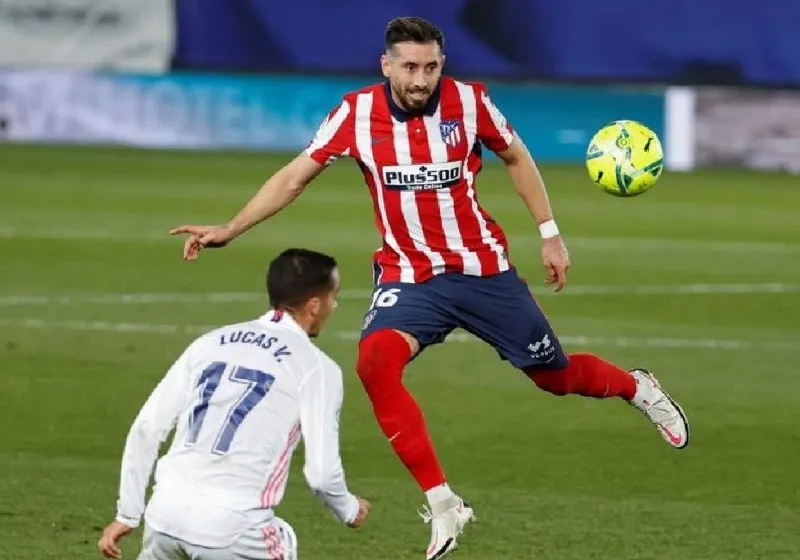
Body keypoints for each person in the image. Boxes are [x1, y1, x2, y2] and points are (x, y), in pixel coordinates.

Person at [168, 16, 690, 560]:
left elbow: (516, 155)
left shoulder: (470, 103)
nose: (421, 80)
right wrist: (230, 227)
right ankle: (444, 504)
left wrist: (549, 233)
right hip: (409, 276)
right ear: (386, 65)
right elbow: (294, 176)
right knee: (374, 363)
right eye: (411, 67)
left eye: (432, 67)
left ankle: (637, 388)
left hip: (482, 270)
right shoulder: (355, 113)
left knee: (555, 378)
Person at [97, 248, 369, 560]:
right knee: (282, 539)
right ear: (314, 304)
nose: (334, 305)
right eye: (333, 296)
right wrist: (348, 509)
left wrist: (128, 513)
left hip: (164, 519)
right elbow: (321, 474)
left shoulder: (209, 342)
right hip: (233, 528)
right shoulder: (317, 368)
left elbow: (147, 428)